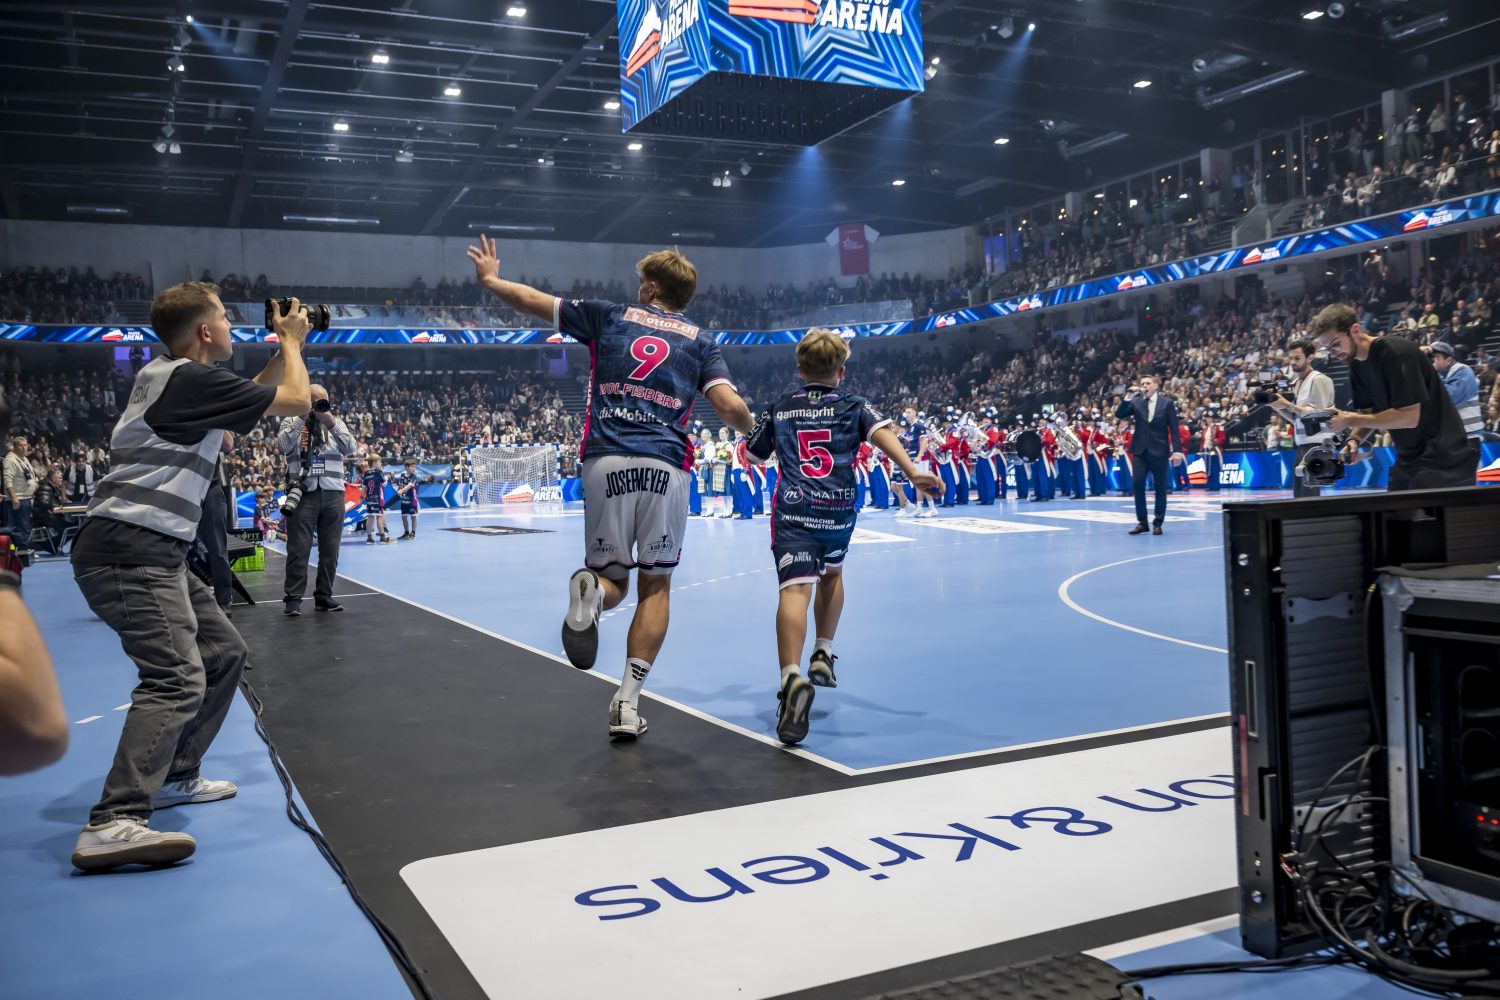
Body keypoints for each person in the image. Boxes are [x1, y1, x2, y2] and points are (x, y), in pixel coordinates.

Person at [467, 234, 755, 739]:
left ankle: (593, 595)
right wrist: (755, 431)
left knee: (614, 579)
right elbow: (730, 409)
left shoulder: (609, 315)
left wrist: (491, 280)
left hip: (605, 462)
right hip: (665, 466)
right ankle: (626, 701)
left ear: (648, 287)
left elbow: (535, 302)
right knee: (655, 585)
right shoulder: (702, 342)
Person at [68, 285, 311, 870]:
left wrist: (281, 346)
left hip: (154, 550)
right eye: (225, 319)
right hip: (132, 549)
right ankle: (114, 820)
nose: (232, 327)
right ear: (205, 332)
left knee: (224, 651)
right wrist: (294, 344)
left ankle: (176, 774)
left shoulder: (175, 377)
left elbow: (248, 401)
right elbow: (297, 400)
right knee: (177, 677)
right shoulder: (187, 380)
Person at [744, 330, 942, 744]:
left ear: (799, 369)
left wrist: (760, 436)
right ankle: (824, 650)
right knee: (832, 574)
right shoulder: (854, 404)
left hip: (795, 509)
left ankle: (791, 679)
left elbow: (753, 454)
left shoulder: (780, 405)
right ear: (841, 371)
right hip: (837, 510)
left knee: (794, 591)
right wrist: (912, 470)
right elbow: (882, 434)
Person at [1312, 304, 1478, 491]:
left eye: (1335, 344)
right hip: (1409, 456)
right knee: (1392, 516)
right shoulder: (1356, 366)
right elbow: (1367, 412)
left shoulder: (1397, 353)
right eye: (1328, 349)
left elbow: (1408, 417)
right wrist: (1354, 440)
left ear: (1355, 330)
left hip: (1443, 456)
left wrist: (1348, 418)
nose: (1333, 354)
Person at [277, 383, 357, 614]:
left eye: (324, 401)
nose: (320, 406)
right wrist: (303, 416)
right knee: (298, 549)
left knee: (330, 550)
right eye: (315, 401)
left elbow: (350, 449)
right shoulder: (292, 420)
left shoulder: (335, 423)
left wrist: (330, 421)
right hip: (303, 493)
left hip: (333, 493)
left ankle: (324, 596)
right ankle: (293, 598)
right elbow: (284, 446)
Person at [1115, 374, 1185, 535]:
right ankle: (1142, 522)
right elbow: (1120, 415)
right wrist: (1128, 396)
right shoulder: (1136, 402)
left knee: (1160, 488)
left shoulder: (1166, 403)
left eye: (1148, 383)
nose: (1144, 385)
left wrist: (1177, 451)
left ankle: (1158, 522)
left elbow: (1174, 429)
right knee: (1137, 485)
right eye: (1142, 383)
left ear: (1156, 386)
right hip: (1140, 451)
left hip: (1160, 451)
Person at [1268, 338, 1337, 498]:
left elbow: (1318, 413)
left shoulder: (1318, 379)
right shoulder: (1297, 382)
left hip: (1317, 445)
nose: (1293, 362)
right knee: (1300, 495)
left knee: (1309, 496)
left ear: (1310, 358)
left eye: (1297, 358)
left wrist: (1288, 405)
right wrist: (1276, 406)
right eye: (1291, 358)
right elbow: (1297, 419)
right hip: (1303, 444)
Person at [193, 433, 235, 614]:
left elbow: (227, 445)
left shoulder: (212, 416)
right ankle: (186, 598)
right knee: (178, 547)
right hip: (182, 488)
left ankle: (224, 598)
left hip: (210, 487)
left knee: (218, 548)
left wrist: (215, 410)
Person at [1428, 342, 1486, 440]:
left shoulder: (1463, 371)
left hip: (1469, 434)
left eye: (1435, 357)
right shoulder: (1440, 374)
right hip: (1451, 434)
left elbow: (1449, 398)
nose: (1432, 361)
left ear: (1448, 360)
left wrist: (1431, 374)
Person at [4, 435, 38, 555]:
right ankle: (21, 550)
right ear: (14, 447)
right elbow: (8, 481)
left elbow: (30, 477)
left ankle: (22, 549)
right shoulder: (10, 460)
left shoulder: (23, 458)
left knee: (23, 525)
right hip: (18, 498)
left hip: (26, 497)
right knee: (18, 526)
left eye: (25, 445)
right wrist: (13, 497)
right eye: (21, 445)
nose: (24, 448)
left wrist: (32, 494)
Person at [361, 453, 393, 545]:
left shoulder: (366, 473)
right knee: (379, 517)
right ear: (374, 463)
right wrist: (386, 478)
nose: (380, 464)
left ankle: (369, 538)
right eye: (379, 462)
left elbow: (364, 487)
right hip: (377, 499)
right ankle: (383, 537)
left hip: (369, 499)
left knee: (370, 517)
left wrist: (360, 498)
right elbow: (384, 484)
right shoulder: (379, 472)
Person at [394, 458, 425, 539]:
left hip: (412, 501)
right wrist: (398, 493)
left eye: (414, 467)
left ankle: (413, 533)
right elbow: (400, 486)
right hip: (404, 501)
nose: (414, 468)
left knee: (413, 517)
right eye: (412, 467)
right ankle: (406, 532)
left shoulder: (413, 476)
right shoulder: (402, 476)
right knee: (404, 517)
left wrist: (401, 491)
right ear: (407, 467)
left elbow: (409, 486)